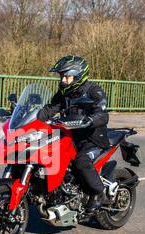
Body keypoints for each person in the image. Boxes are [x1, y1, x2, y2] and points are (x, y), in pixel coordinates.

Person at [37, 55, 110, 215]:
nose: (63, 80)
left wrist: (90, 120)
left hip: (92, 139)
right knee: (45, 153)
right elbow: (49, 109)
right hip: (70, 136)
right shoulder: (64, 93)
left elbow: (102, 114)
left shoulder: (94, 91)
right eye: (62, 76)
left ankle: (98, 193)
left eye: (66, 76)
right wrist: (30, 116)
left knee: (81, 161)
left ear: (78, 76)